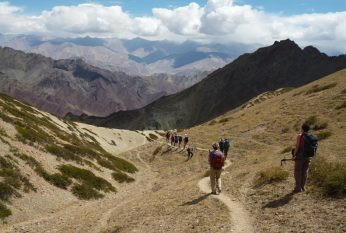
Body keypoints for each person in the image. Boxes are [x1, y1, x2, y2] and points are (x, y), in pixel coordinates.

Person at [293, 123, 315, 192]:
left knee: (298, 171)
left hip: (300, 155)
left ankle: (298, 187)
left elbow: (297, 146)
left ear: (302, 128)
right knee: (305, 171)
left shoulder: (300, 135)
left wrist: (294, 154)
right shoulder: (312, 136)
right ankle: (303, 187)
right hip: (308, 156)